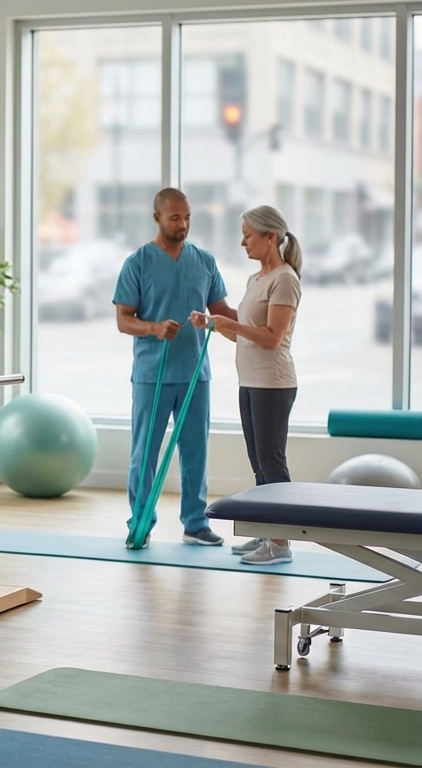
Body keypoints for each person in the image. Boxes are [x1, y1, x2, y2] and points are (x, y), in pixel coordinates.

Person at [114, 187, 232, 546]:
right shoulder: (138, 263)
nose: (183, 224)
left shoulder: (205, 261)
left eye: (188, 217)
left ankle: (196, 524)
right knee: (145, 453)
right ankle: (140, 522)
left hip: (196, 373)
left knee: (196, 451)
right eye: (175, 217)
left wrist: (259, 330)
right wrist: (154, 328)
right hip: (153, 375)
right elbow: (123, 319)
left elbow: (223, 313)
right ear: (157, 219)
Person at [190, 205, 302, 566]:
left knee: (272, 464)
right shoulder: (258, 279)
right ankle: (269, 532)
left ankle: (281, 545)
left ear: (270, 237)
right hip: (251, 381)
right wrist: (212, 323)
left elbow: (271, 337)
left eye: (248, 235)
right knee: (258, 464)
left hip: (273, 383)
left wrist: (230, 324)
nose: (242, 242)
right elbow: (245, 332)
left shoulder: (284, 279)